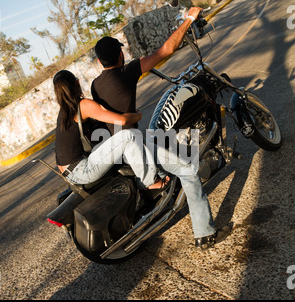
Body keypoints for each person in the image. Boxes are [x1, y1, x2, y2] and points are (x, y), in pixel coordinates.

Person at [91, 7, 230, 250]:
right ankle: (205, 233)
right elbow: (166, 49)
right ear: (120, 56)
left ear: (99, 61)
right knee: (188, 169)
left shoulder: (95, 85)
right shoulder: (127, 72)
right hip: (133, 147)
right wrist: (188, 20)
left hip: (114, 147)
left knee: (163, 136)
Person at [53, 69, 170, 190]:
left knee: (121, 143)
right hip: (81, 170)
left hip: (69, 172)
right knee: (129, 136)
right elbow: (122, 120)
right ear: (77, 83)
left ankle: (157, 173)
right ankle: (148, 181)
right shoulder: (83, 105)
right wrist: (138, 115)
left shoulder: (64, 112)